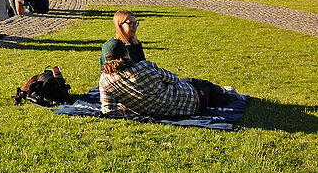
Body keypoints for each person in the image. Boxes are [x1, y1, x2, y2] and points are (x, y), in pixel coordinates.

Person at [98, 39, 237, 117]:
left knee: (191, 84)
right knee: (198, 84)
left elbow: (109, 110)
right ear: (126, 54)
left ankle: (225, 93)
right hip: (191, 101)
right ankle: (228, 94)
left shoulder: (104, 82)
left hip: (160, 112)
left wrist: (127, 107)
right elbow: (174, 78)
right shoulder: (144, 67)